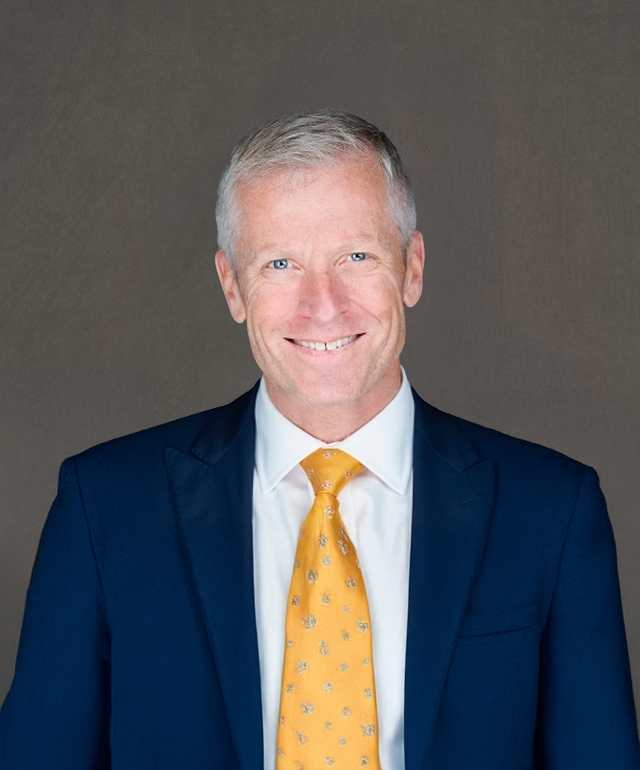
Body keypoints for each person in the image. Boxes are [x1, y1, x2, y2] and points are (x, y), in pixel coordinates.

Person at [1, 110, 638, 770]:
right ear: (232, 287)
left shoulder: (551, 512)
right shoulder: (104, 508)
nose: (323, 304)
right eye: (280, 264)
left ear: (412, 269)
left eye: (356, 257)